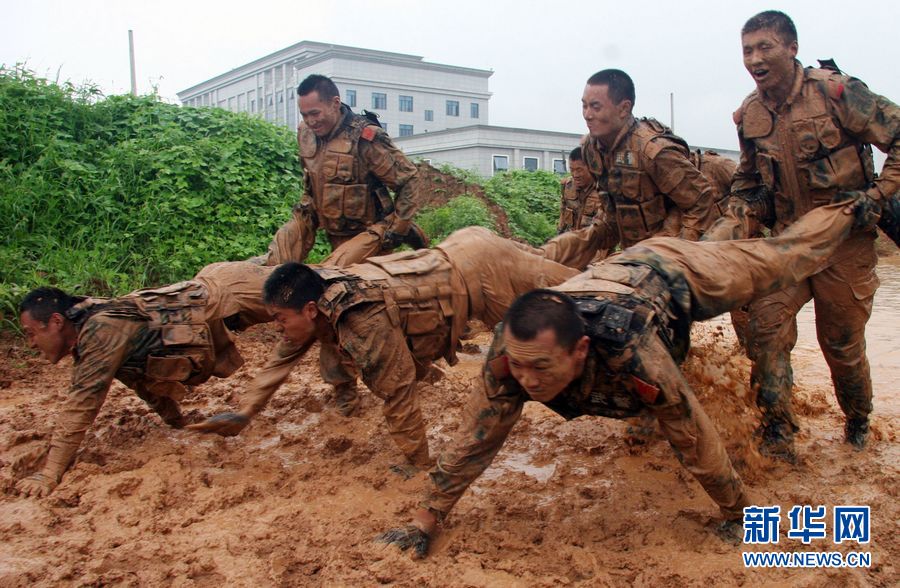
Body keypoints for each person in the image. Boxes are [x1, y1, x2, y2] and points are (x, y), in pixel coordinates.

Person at [378, 194, 878, 557]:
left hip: (674, 269)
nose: (527, 380)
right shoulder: (513, 356)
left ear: (580, 351)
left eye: (541, 368)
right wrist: (425, 520)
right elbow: (475, 438)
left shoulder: (630, 350)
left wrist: (740, 514)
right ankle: (727, 227)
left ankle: (849, 209)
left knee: (780, 258)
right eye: (521, 367)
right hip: (609, 275)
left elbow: (691, 431)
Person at [189, 227, 580, 470]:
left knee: (578, 294)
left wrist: (418, 461)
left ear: (308, 310)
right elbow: (281, 358)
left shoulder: (360, 317)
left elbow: (398, 391)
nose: (277, 328)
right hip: (461, 250)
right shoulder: (315, 296)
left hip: (483, 271)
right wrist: (245, 411)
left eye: (279, 319)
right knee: (561, 278)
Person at [705, 10, 899, 459]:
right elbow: (749, 181)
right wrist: (736, 218)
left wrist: (877, 195)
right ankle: (777, 431)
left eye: (765, 47)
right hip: (788, 244)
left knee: (841, 345)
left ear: (792, 48)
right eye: (747, 50)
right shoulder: (750, 114)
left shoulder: (836, 93)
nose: (755, 59)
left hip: (845, 243)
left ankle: (858, 424)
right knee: (765, 329)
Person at [14, 272, 271, 497]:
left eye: (31, 333)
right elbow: (141, 381)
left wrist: (50, 474)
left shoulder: (100, 331)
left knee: (295, 292)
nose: (31, 344)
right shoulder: (95, 332)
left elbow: (82, 403)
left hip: (232, 292)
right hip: (222, 299)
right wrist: (177, 422)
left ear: (57, 322)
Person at [263, 74, 428, 268]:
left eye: (315, 113)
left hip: (368, 231)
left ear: (335, 103)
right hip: (317, 216)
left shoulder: (365, 137)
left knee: (332, 273)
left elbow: (408, 179)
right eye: (305, 115)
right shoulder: (305, 132)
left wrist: (398, 229)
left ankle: (409, 235)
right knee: (274, 263)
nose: (310, 121)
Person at [578, 69, 717, 253]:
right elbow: (611, 212)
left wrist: (671, 253)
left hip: (667, 251)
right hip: (633, 254)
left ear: (624, 108)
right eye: (584, 106)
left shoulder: (653, 151)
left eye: (596, 107)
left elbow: (700, 202)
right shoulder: (591, 148)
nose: (587, 115)